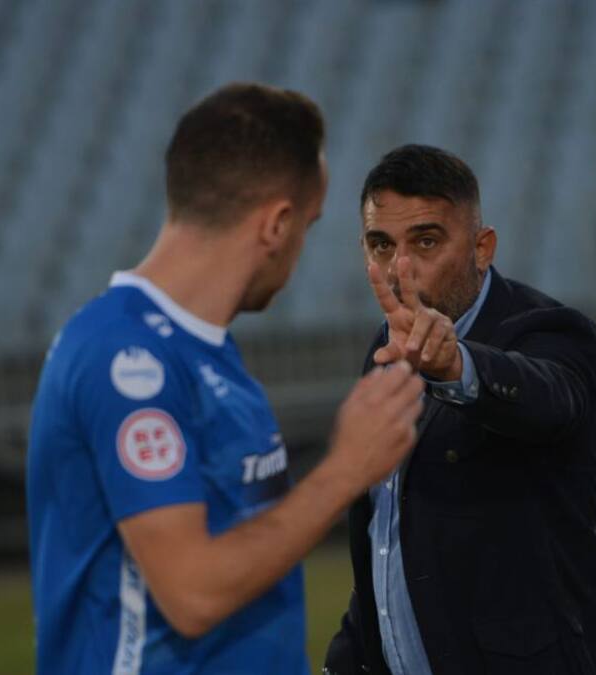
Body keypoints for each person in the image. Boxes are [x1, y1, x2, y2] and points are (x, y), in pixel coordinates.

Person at [26, 83, 425, 674]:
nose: (298, 252)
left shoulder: (205, 354)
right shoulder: (125, 358)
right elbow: (193, 594)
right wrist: (346, 469)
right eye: (308, 227)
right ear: (276, 224)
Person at [323, 145, 596, 675]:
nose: (400, 269)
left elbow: (548, 398)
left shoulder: (552, 332)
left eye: (426, 241)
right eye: (380, 245)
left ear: (482, 247)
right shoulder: (385, 349)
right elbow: (386, 543)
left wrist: (456, 366)